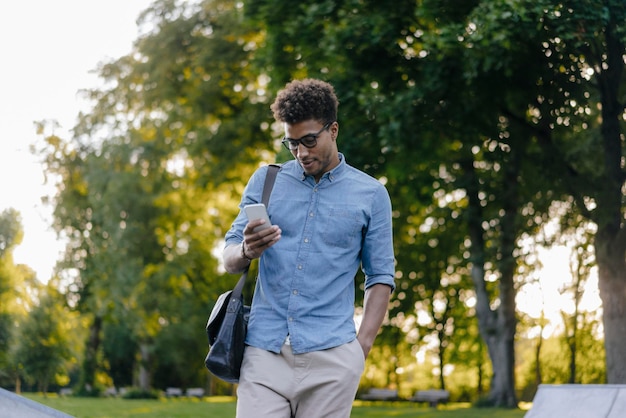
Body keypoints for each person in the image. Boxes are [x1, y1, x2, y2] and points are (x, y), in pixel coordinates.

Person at [223, 78, 395, 418]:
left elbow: (380, 277)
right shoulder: (266, 181)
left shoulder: (372, 195)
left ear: (333, 130)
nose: (301, 153)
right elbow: (229, 257)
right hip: (264, 352)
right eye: (292, 144)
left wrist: (360, 350)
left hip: (332, 359)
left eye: (309, 141)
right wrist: (246, 251)